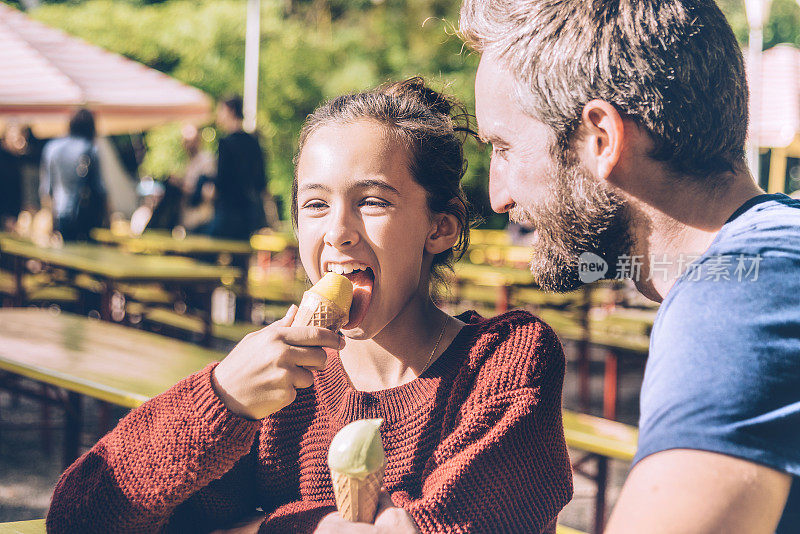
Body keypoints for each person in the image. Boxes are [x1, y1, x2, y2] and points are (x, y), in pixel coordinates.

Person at [46, 78, 573, 534]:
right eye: (315, 205)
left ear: (441, 226)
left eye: (372, 201)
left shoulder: (505, 360)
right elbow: (81, 516)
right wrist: (221, 398)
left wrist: (255, 529)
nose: (337, 233)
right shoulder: (277, 388)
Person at [460, 1, 800, 532]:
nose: (496, 195)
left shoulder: (736, 298)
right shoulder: (772, 260)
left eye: (503, 148)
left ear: (601, 139)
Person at [39, 108, 107, 241]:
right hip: (84, 216)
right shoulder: (90, 148)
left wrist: (50, 218)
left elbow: (46, 190)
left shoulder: (51, 147)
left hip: (58, 213)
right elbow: (99, 188)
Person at [207, 95, 268, 239]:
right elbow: (261, 180)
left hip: (227, 210)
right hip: (248, 213)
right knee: (242, 257)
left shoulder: (226, 143)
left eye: (221, 110)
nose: (219, 116)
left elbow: (222, 179)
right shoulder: (253, 141)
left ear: (230, 111)